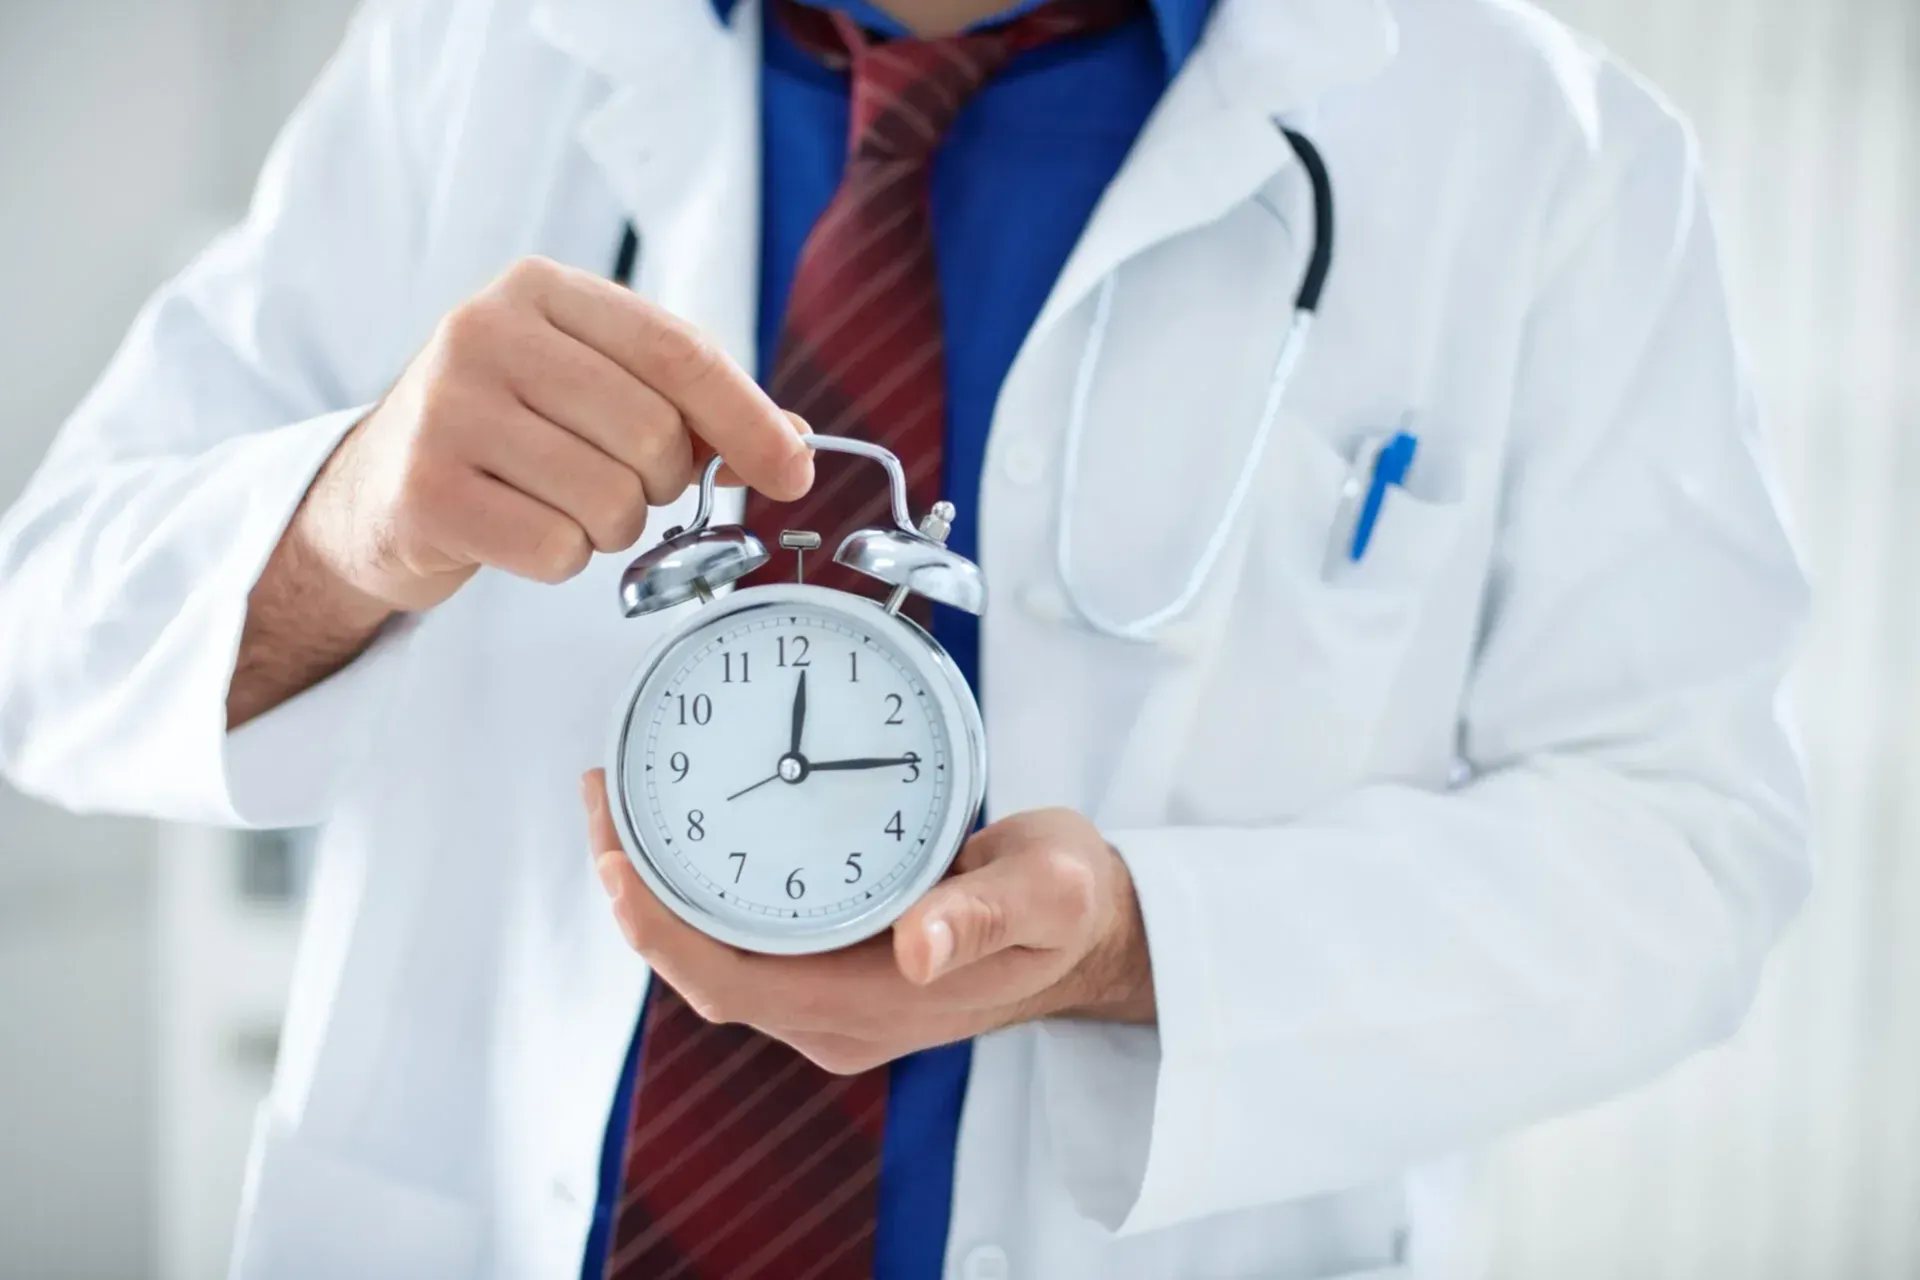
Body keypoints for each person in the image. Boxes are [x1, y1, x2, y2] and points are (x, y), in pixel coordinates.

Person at [0, 0, 1811, 1275]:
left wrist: (1138, 948)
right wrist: (346, 516)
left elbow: (1691, 845)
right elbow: (44, 642)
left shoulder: (1537, 147)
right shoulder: (471, 55)